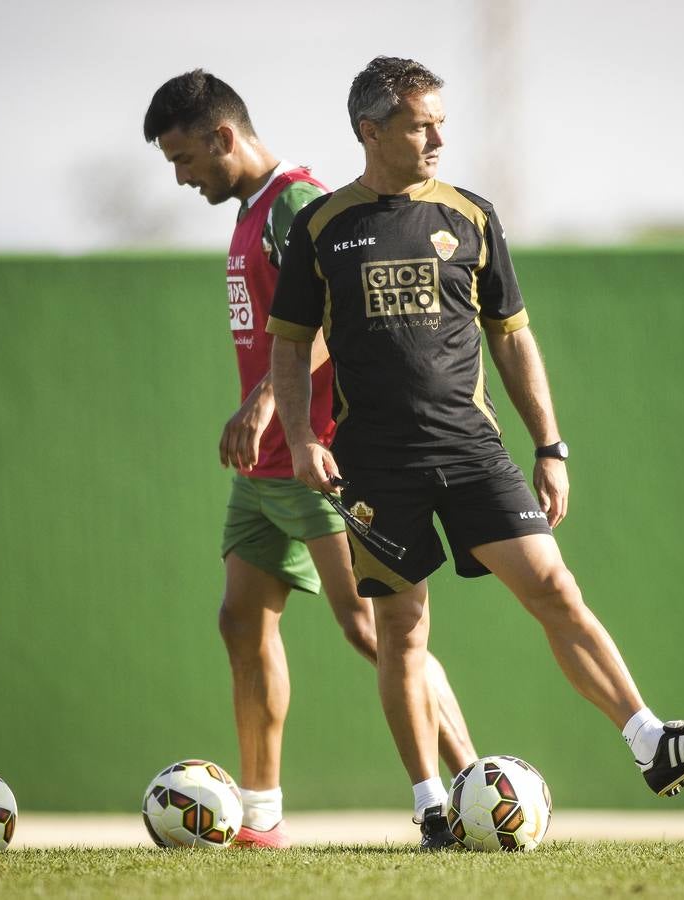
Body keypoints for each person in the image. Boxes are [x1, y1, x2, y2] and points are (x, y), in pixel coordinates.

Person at [268, 57, 684, 850]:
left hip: (472, 448)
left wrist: (549, 446)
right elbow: (288, 349)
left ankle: (651, 742)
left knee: (553, 585)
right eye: (420, 123)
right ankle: (429, 806)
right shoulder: (321, 227)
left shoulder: (472, 215)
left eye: (440, 121)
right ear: (370, 130)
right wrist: (300, 438)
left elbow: (513, 340)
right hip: (375, 465)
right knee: (403, 633)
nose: (438, 137)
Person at [142, 69, 477, 849]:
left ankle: (475, 789)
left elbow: (339, 308)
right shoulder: (248, 212)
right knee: (240, 621)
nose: (182, 177)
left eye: (185, 158)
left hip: (319, 455)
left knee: (373, 630)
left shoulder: (297, 202)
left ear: (224, 136)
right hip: (262, 478)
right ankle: (259, 817)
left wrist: (264, 404)